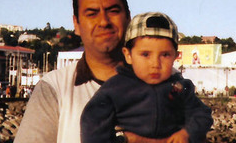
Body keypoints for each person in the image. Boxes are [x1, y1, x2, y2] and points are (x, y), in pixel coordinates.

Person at [14, 0, 132, 143]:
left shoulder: (166, 82)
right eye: (92, 14)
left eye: (113, 11)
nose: (104, 22)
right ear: (76, 24)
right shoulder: (54, 88)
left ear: (128, 18)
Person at [81, 12, 213, 143]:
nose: (155, 64)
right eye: (145, 54)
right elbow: (92, 124)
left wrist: (187, 133)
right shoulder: (115, 88)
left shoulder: (180, 87)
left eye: (165, 55)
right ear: (128, 55)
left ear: (175, 56)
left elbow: (202, 115)